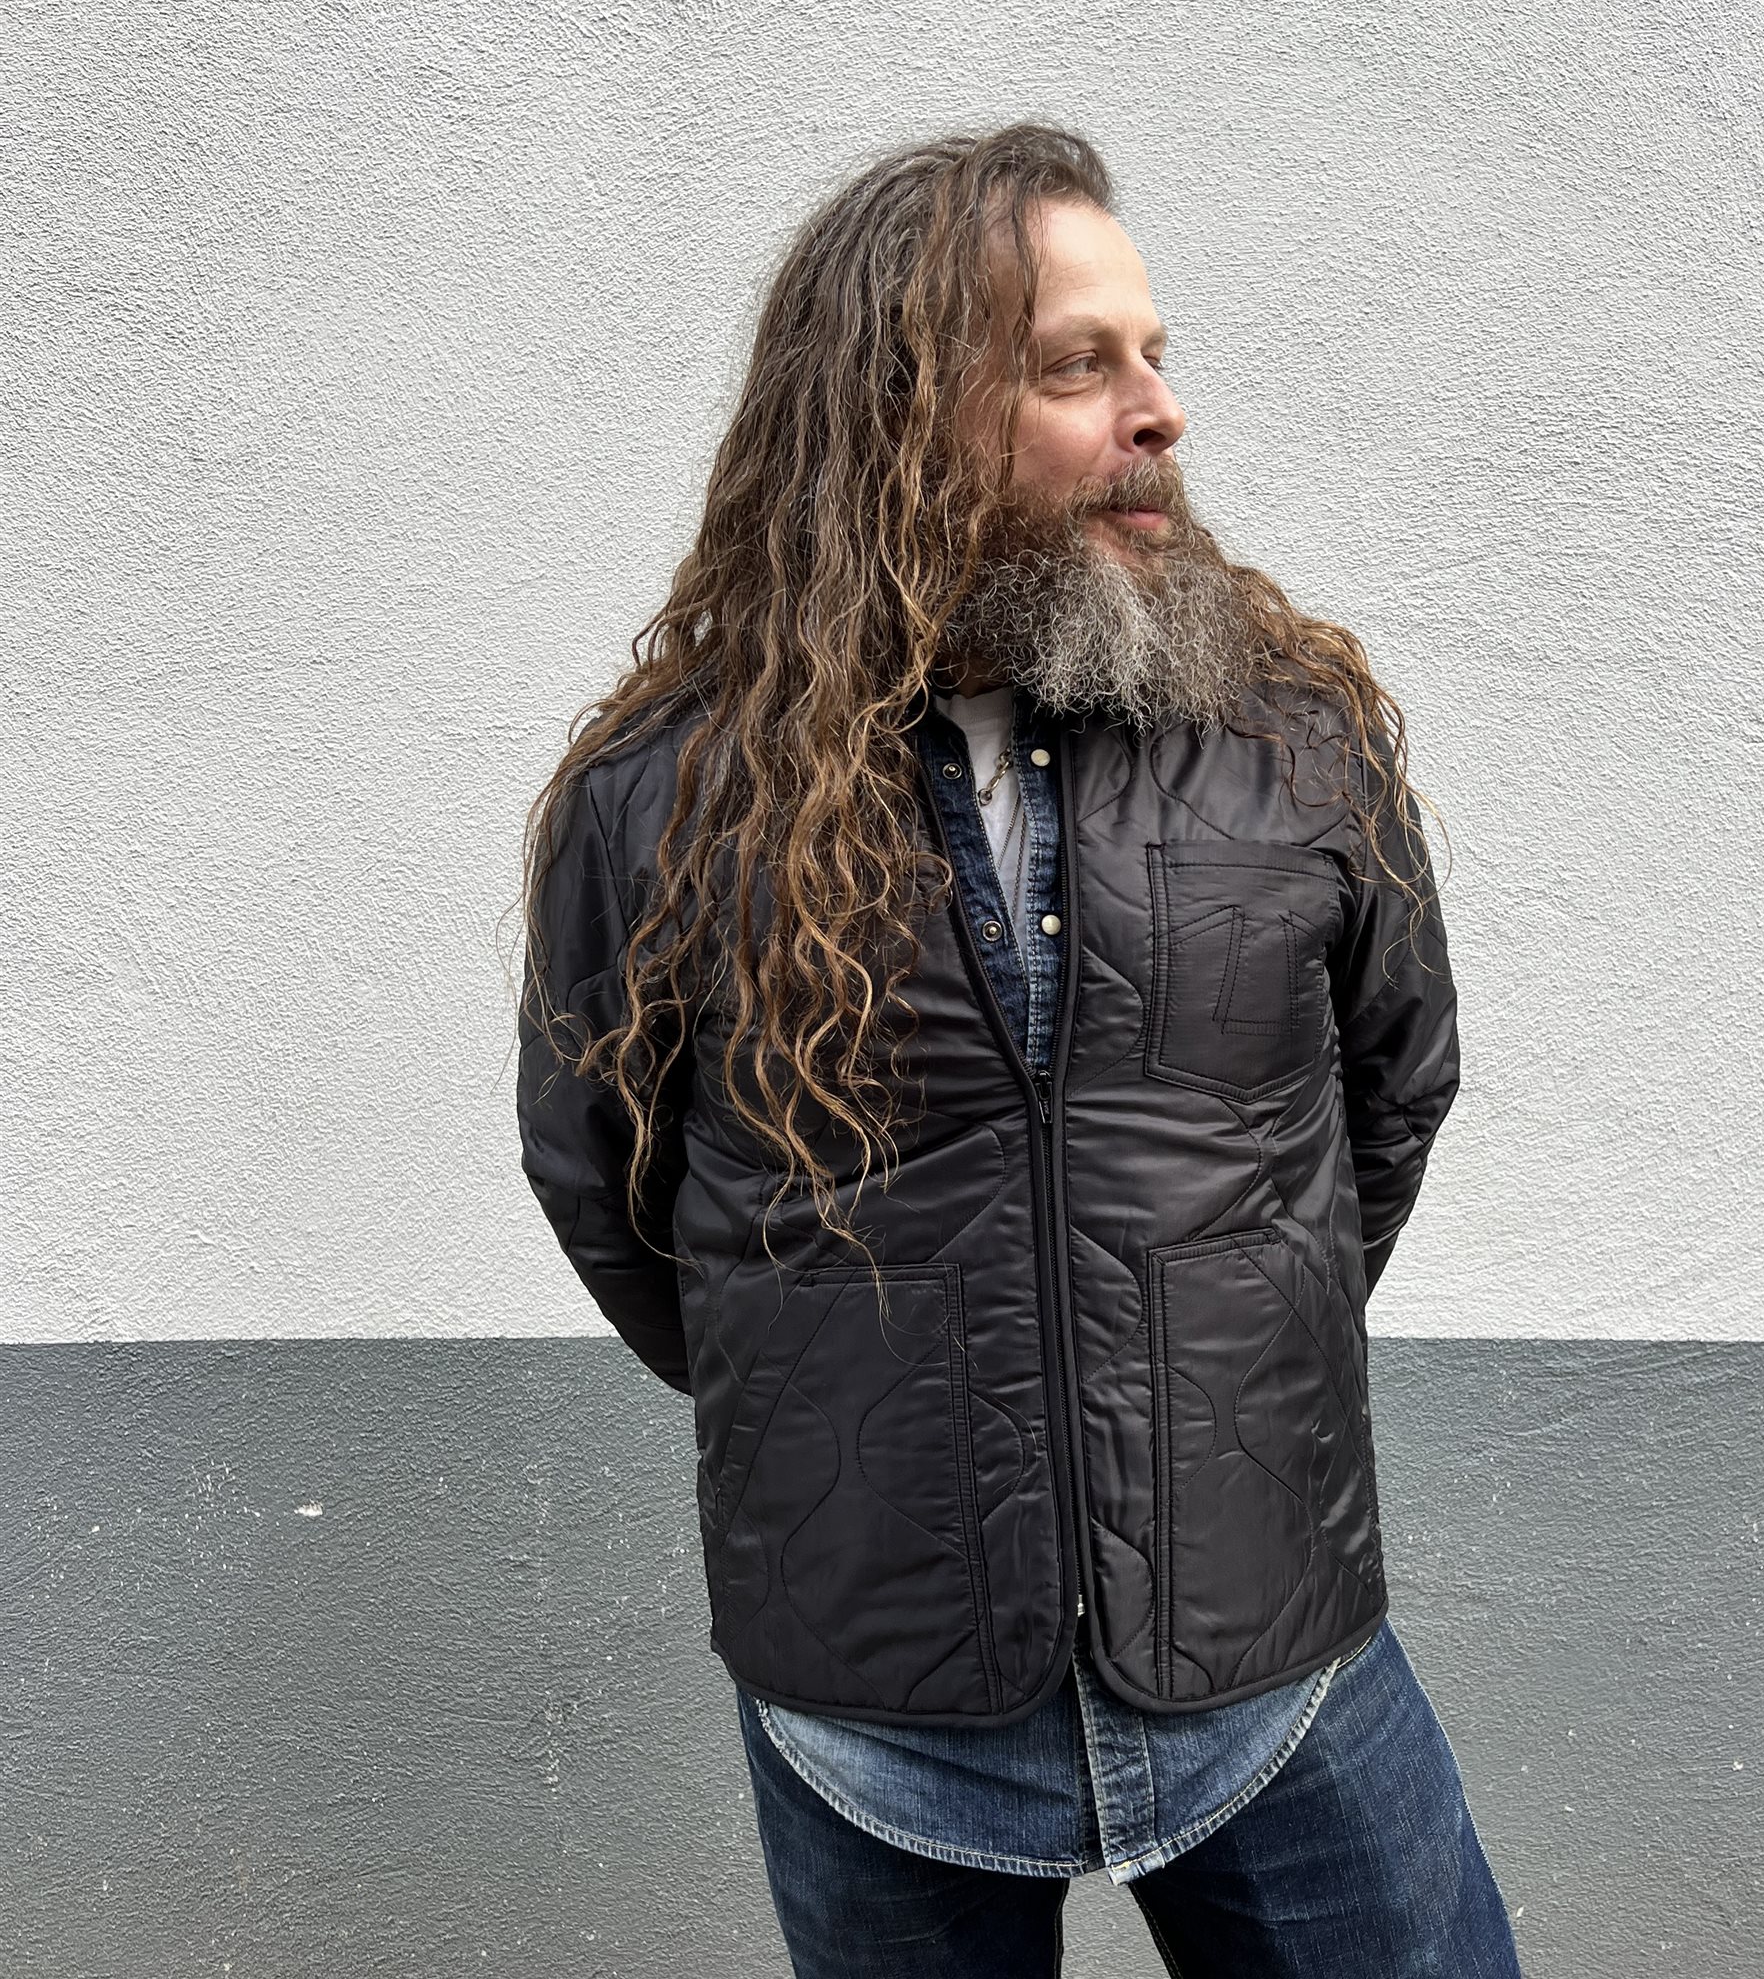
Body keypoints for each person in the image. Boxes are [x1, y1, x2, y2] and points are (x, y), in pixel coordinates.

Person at [516, 121, 1522, 1977]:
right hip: (879, 1700)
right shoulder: (665, 796)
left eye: (1156, 355)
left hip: (1270, 1658)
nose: (1160, 412)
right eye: (1078, 365)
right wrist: (842, 1398)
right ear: (899, 411)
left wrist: (1217, 1336)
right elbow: (611, 1184)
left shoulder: (1292, 739)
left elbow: (1394, 1095)